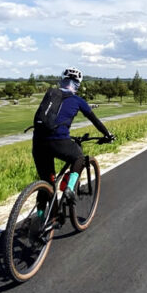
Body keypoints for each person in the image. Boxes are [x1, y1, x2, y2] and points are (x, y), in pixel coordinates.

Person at [32, 67, 114, 213]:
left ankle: (40, 218)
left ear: (62, 80)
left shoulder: (50, 94)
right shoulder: (78, 100)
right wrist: (107, 134)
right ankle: (70, 188)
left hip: (38, 141)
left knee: (47, 183)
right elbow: (95, 121)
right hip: (58, 141)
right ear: (78, 84)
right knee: (79, 157)